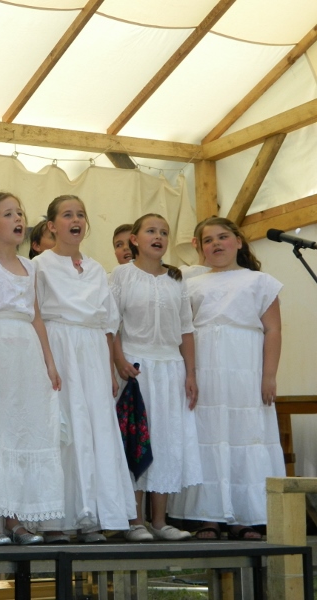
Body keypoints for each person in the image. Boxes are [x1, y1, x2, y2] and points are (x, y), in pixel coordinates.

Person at [168, 217, 285, 540]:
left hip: (245, 371)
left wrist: (269, 375)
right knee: (207, 436)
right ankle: (208, 517)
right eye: (208, 240)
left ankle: (243, 517)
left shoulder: (260, 282)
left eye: (222, 237)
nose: (216, 244)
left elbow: (273, 330)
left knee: (244, 436)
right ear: (200, 248)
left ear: (238, 241)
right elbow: (183, 332)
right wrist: (189, 373)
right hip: (204, 370)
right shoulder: (190, 284)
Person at [33, 195, 135, 543]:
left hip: (92, 353)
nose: (75, 220)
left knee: (93, 430)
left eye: (80, 214)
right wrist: (47, 362)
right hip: (59, 348)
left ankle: (92, 515)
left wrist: (108, 369)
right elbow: (34, 317)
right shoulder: (40, 266)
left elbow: (108, 324)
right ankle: (56, 519)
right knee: (64, 429)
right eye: (67, 215)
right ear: (52, 225)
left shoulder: (95, 268)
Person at [0, 192, 64, 545]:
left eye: (20, 213)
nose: (18, 219)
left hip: (26, 351)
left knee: (24, 427)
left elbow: (35, 315)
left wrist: (49, 362)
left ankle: (15, 516)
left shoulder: (31, 266)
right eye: (8, 214)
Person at [109, 213, 202, 542]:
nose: (159, 236)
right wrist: (119, 361)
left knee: (166, 441)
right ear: (135, 239)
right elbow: (111, 325)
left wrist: (190, 373)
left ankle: (160, 521)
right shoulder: (121, 275)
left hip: (170, 369)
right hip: (136, 369)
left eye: (163, 232)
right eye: (151, 231)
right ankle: (135, 521)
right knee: (137, 440)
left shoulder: (176, 278)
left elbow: (186, 330)